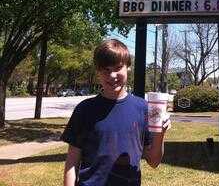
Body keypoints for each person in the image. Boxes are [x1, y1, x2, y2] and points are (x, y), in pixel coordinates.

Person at [61, 39, 171, 186]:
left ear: (128, 68)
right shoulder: (84, 109)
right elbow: (72, 162)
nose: (112, 75)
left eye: (118, 67)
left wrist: (160, 134)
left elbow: (154, 161)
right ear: (98, 71)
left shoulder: (143, 108)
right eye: (106, 69)